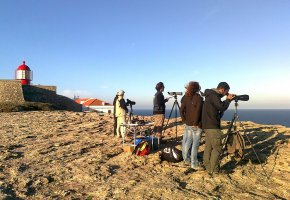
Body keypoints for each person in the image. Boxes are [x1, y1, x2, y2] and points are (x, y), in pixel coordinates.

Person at [202, 82, 235, 175]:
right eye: (226, 91)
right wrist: (228, 100)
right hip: (213, 125)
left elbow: (217, 103)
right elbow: (221, 106)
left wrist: (226, 98)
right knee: (217, 148)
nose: (226, 93)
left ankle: (207, 166)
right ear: (222, 89)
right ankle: (214, 170)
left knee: (209, 146)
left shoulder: (210, 95)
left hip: (207, 125)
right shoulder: (214, 96)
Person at [180, 81, 203, 169]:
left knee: (187, 143)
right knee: (195, 145)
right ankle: (194, 163)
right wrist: (195, 123)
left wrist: (184, 120)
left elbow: (181, 110)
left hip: (188, 124)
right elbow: (198, 111)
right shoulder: (199, 98)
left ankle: (186, 160)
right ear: (197, 88)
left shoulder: (185, 97)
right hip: (196, 125)